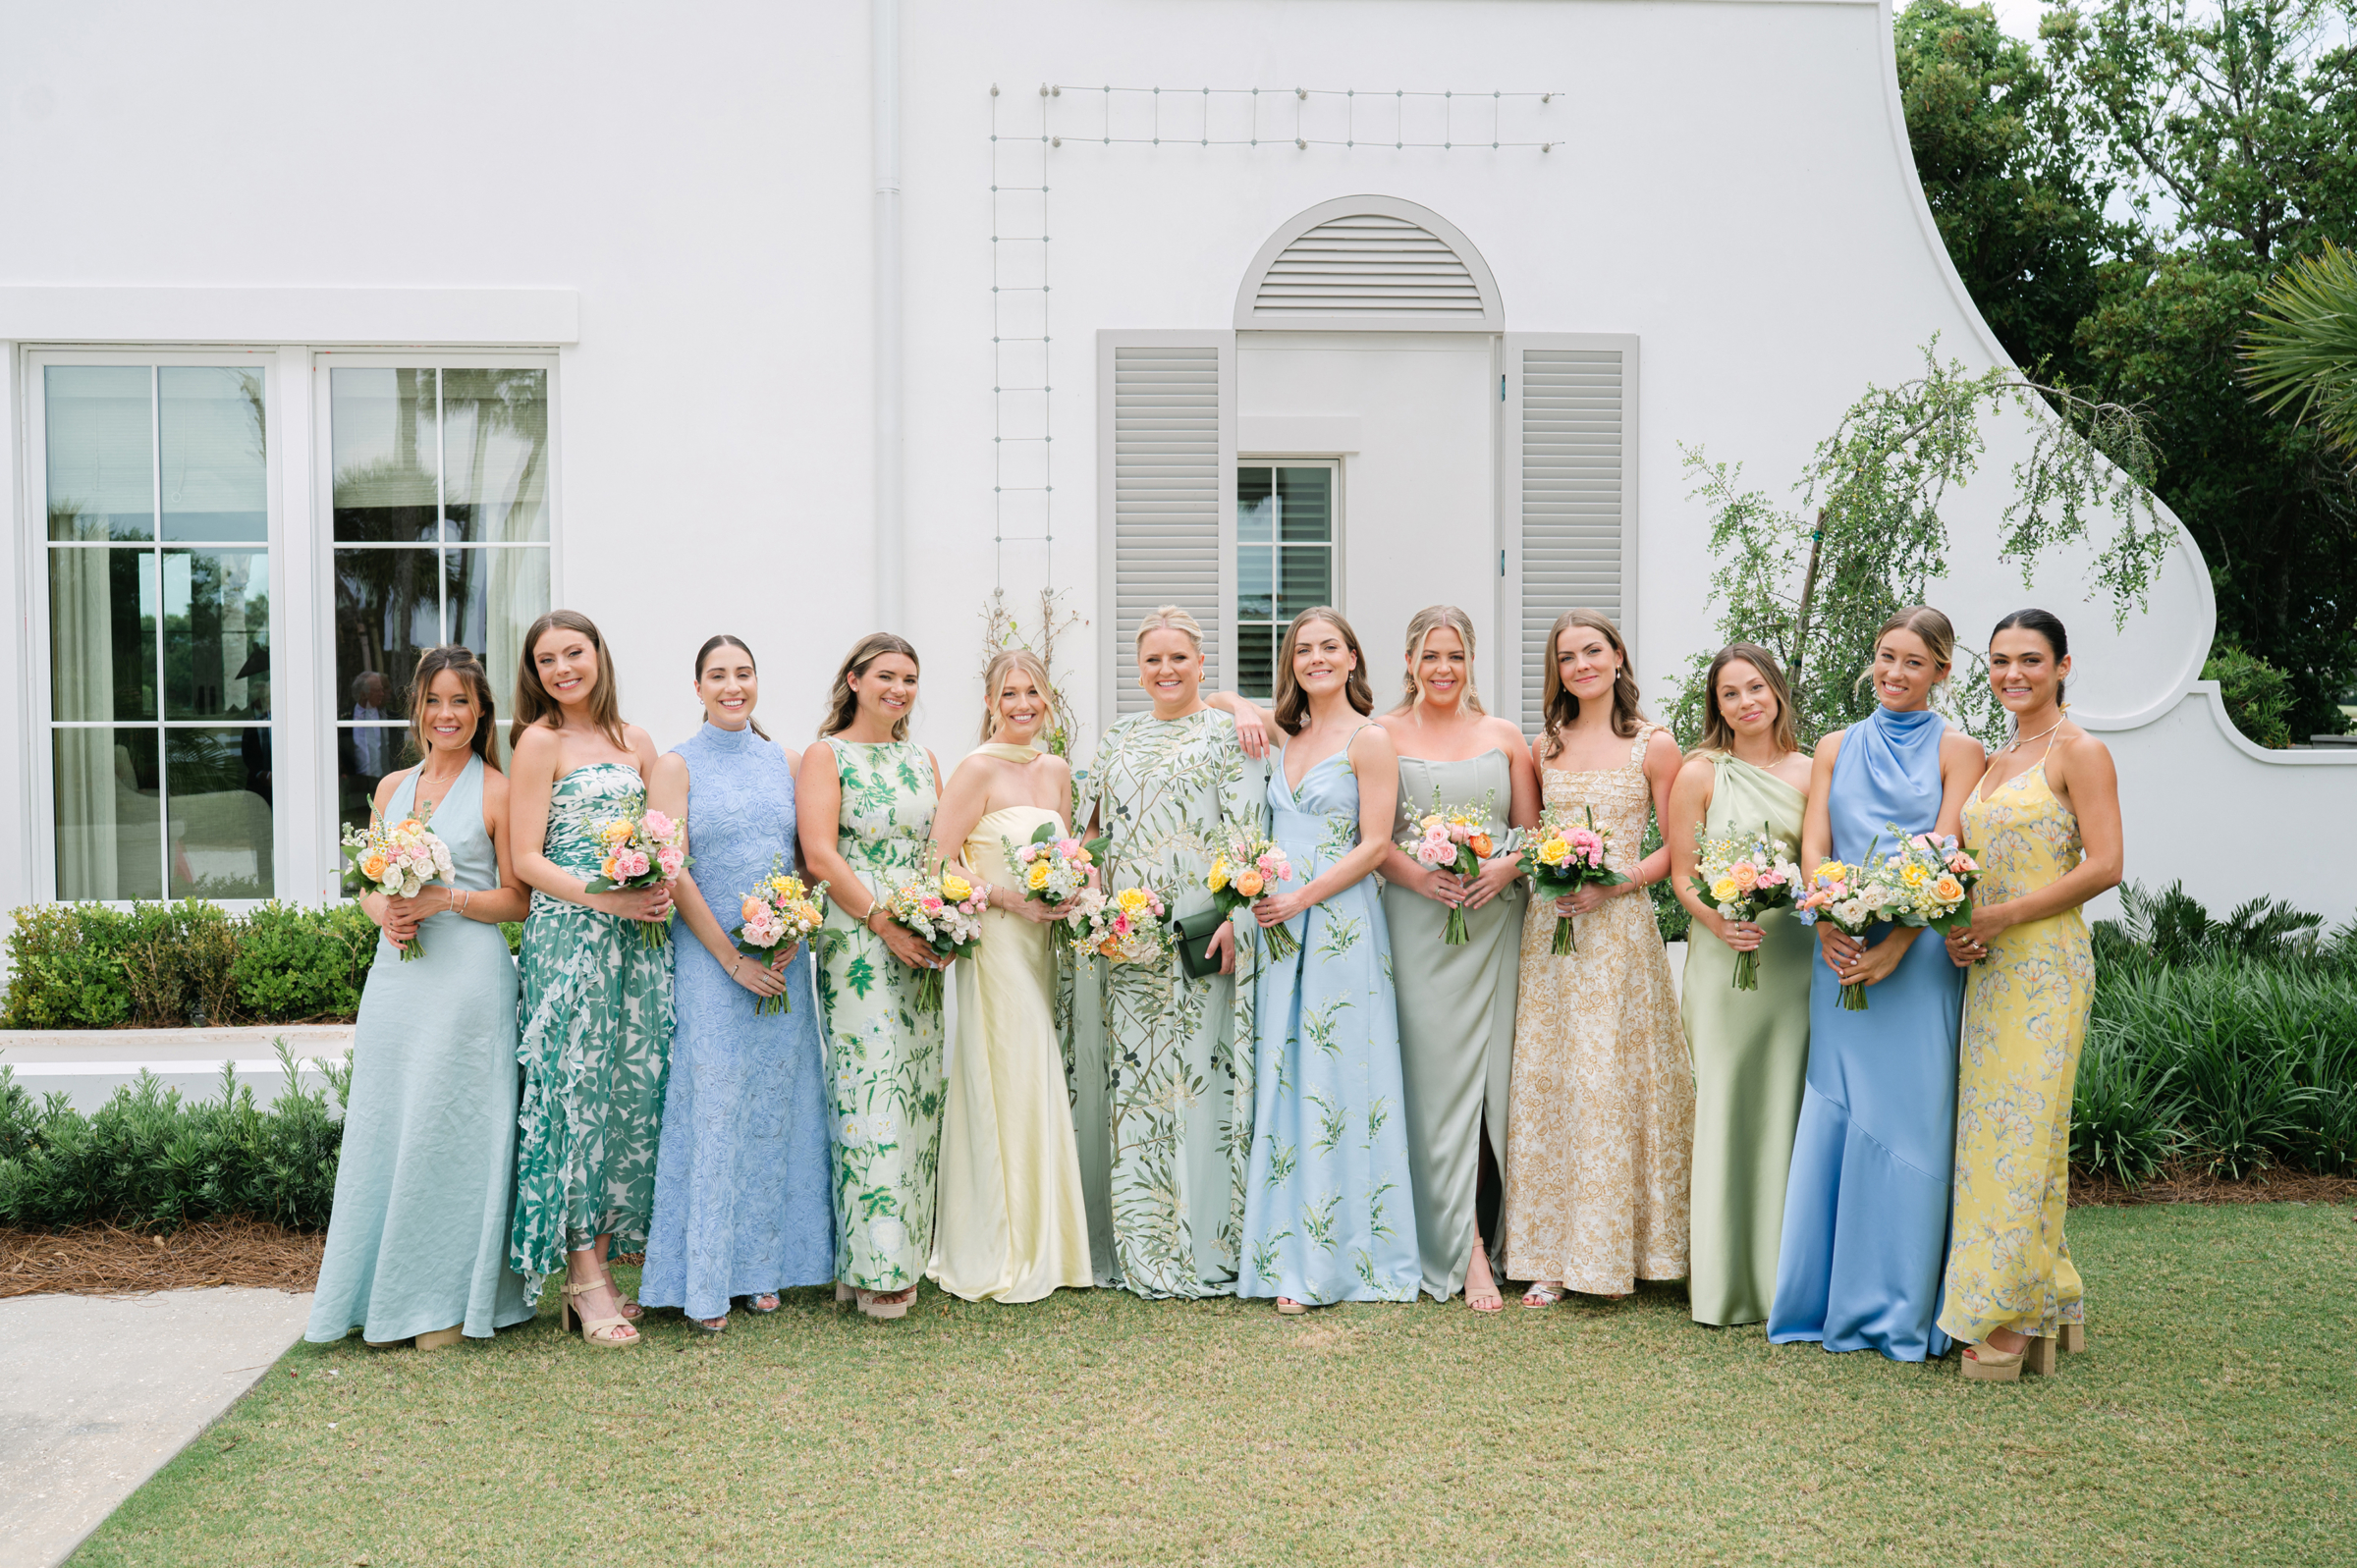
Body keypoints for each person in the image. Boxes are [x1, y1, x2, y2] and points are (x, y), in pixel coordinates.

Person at [1769, 606, 1985, 1362]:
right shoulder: (1834, 744)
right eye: (1886, 657)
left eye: (1914, 663)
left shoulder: (1963, 750)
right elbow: (1816, 838)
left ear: (1942, 672)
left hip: (1918, 956)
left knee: (1911, 1119)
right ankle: (1823, 1297)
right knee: (1840, 1106)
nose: (1895, 673)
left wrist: (1898, 941)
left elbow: (1947, 849)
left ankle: (1901, 1306)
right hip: (1836, 952)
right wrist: (1823, 917)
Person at [305, 646, 534, 1350]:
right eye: (435, 700)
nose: (447, 714)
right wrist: (387, 913)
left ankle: (444, 1302)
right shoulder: (390, 787)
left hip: (468, 983)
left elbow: (518, 901)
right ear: (418, 708)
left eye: (461, 701)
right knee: (387, 1126)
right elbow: (371, 880)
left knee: (452, 1132)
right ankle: (377, 1292)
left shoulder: (497, 788)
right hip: (398, 978)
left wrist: (448, 898)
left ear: (481, 710)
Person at [1939, 610, 2121, 1381]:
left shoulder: (2081, 751)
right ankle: (2053, 1295)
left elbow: (2107, 863)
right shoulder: (1993, 758)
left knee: (2023, 1132)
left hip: (2046, 965)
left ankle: (2007, 1318)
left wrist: (2007, 914)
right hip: (1988, 968)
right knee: (1995, 1136)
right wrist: (1958, 927)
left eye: (2030, 660)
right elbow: (1968, 867)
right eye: (2000, 661)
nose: (2013, 673)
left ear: (2063, 665)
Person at [639, 635, 834, 1333]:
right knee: (715, 1103)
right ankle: (704, 1276)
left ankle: (762, 1268)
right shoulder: (675, 764)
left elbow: (809, 858)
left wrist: (787, 933)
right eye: (717, 675)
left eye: (743, 673)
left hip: (781, 959)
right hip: (711, 961)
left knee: (772, 1106)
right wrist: (730, 957)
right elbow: (673, 868)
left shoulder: (785, 761)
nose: (732, 685)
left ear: (758, 681)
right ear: (697, 687)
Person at [1074, 607, 1267, 1298]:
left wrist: (1236, 920)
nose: (1165, 670)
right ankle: (1140, 1237)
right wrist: (1093, 892)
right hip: (1129, 947)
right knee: (1138, 1089)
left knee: (1199, 1080)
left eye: (1178, 658)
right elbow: (1091, 831)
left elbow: (1249, 832)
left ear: (1201, 663)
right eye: (1153, 660)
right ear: (1138, 667)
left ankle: (1206, 1240)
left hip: (1200, 936)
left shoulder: (1228, 732)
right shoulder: (1119, 735)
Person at [1504, 610, 1691, 1308]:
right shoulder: (1541, 747)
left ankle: (1632, 1250)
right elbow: (1528, 840)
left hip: (1618, 933)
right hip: (1551, 933)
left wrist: (1615, 881)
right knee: (1552, 1082)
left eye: (1592, 650)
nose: (1580, 664)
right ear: (1556, 669)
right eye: (1566, 655)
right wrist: (1549, 873)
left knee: (1609, 1082)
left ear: (1617, 656)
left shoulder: (1655, 745)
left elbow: (1676, 848)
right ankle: (1551, 1252)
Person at [1238, 608, 1420, 1312]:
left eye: (1328, 647)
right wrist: (1232, 701)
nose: (1315, 658)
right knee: (1287, 1077)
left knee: (1338, 1079)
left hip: (1338, 920)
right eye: (1302, 649)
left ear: (1352, 659)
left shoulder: (1369, 739)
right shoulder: (1288, 736)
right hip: (1277, 926)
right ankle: (1284, 1249)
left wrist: (1302, 897)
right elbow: (1224, 704)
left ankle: (1337, 1260)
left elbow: (1376, 843)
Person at [507, 610, 676, 1350]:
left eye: (573, 652)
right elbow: (526, 860)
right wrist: (603, 894)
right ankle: (580, 1277)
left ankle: (601, 1269)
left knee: (626, 1098)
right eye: (547, 659)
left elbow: (662, 833)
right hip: (573, 936)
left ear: (600, 655)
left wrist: (656, 878)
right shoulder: (538, 741)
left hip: (638, 940)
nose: (562, 668)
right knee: (574, 1093)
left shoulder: (635, 741)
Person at [1374, 606, 1537, 1312]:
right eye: (1431, 655)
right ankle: (1461, 1243)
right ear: (1409, 660)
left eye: (1456, 656)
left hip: (1496, 923)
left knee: (1499, 1085)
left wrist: (1503, 870)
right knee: (1435, 1088)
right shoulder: (1380, 734)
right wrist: (1422, 875)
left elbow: (1535, 832)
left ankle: (1520, 1238)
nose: (1443, 668)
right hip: (1418, 924)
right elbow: (1371, 838)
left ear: (1471, 662)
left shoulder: (1504, 736)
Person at [925, 649, 1094, 1304]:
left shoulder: (1055, 770)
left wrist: (1074, 892)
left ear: (1048, 699)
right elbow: (939, 864)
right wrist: (1006, 898)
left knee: (1036, 1071)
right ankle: (1001, 1243)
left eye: (1033, 692)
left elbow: (1071, 851)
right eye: (1010, 693)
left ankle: (1050, 1241)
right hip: (996, 944)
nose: (1023, 704)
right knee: (1009, 1072)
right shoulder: (975, 770)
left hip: (1041, 941)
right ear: (991, 702)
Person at [797, 633, 947, 1321]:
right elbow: (821, 854)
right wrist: (882, 919)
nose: (900, 688)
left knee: (915, 1088)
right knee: (868, 1087)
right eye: (886, 675)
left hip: (918, 935)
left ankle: (901, 1251)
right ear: (854, 679)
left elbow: (939, 850)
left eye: (910, 678)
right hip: (858, 937)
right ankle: (871, 1265)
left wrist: (946, 922)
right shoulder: (828, 755)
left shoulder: (924, 758)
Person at [1666, 644, 1814, 1327]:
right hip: (1723, 956)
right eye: (1730, 693)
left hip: (1792, 956)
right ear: (1716, 705)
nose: (1745, 701)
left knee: (1784, 1100)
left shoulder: (1814, 772)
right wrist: (1718, 925)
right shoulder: (1699, 771)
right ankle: (1724, 1280)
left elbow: (1818, 865)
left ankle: (1784, 1274)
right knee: (1727, 1097)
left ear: (1777, 691)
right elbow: (1682, 874)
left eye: (1755, 687)